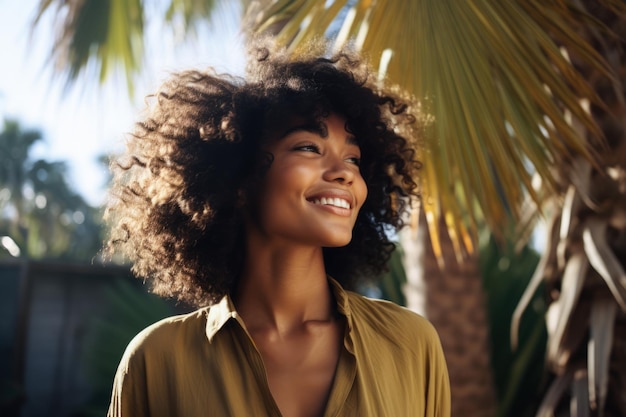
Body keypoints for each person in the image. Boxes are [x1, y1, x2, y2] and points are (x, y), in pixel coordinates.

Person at [105, 41, 450, 417]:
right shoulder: (156, 360)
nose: (345, 172)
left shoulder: (410, 345)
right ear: (238, 181)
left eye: (353, 157)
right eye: (308, 147)